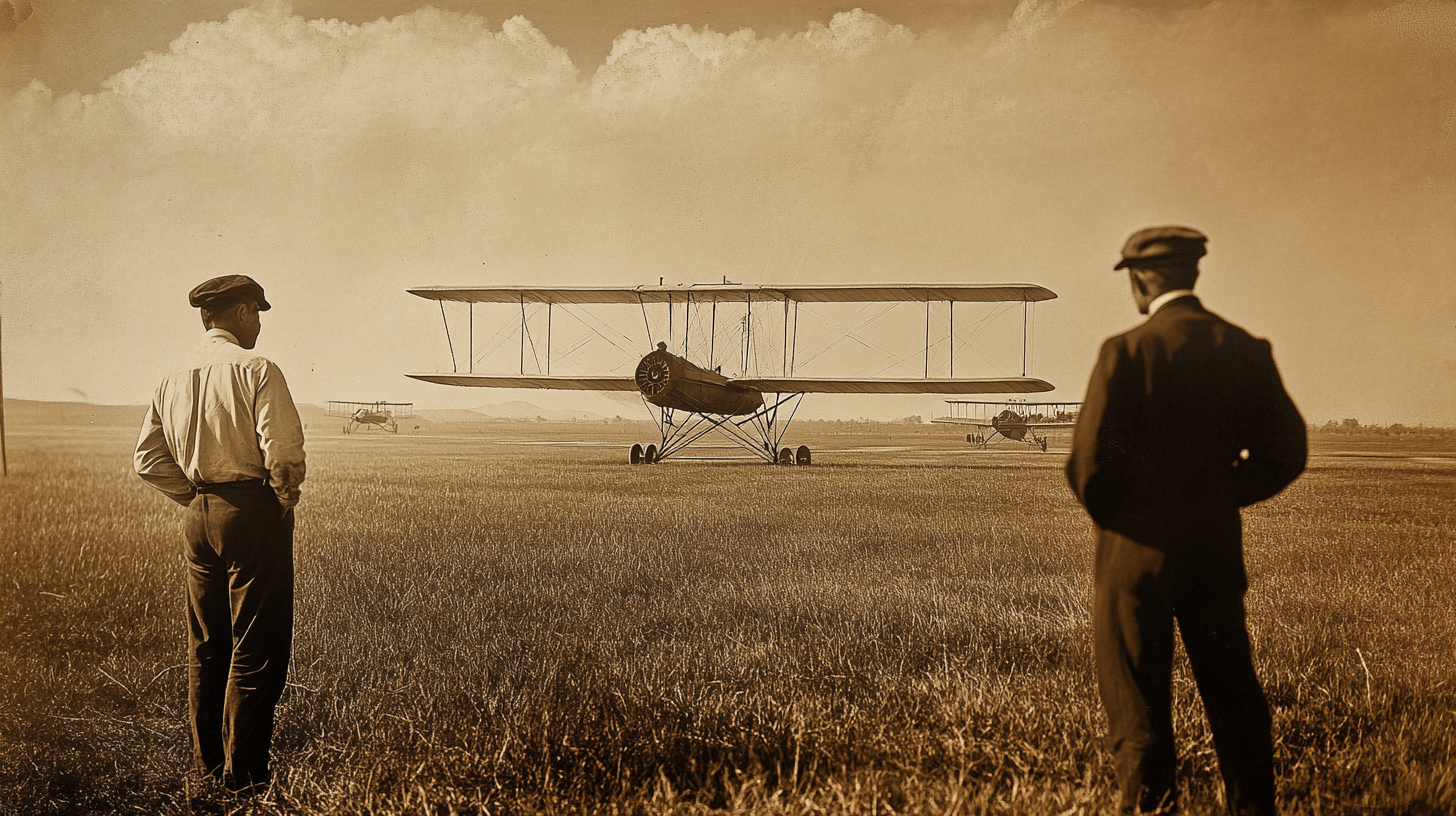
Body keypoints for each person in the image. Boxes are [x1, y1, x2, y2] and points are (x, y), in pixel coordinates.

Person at [1066, 227, 1306, 815]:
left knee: (1137, 700)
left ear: (1142, 279)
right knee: (1232, 690)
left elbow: (1087, 466)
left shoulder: (1123, 351)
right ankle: (1252, 806)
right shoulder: (1245, 348)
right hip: (1213, 546)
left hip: (1133, 552)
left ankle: (1149, 807)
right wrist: (1219, 495)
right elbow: (1286, 453)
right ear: (1193, 273)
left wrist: (1132, 515)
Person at [134, 275, 306, 793]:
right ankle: (246, 778)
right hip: (250, 511)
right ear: (241, 312)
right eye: (256, 313)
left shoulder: (171, 377)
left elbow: (147, 459)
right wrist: (281, 498)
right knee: (256, 646)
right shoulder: (257, 368)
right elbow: (283, 454)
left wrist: (196, 498)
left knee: (208, 647)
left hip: (198, 514)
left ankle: (208, 769)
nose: (258, 324)